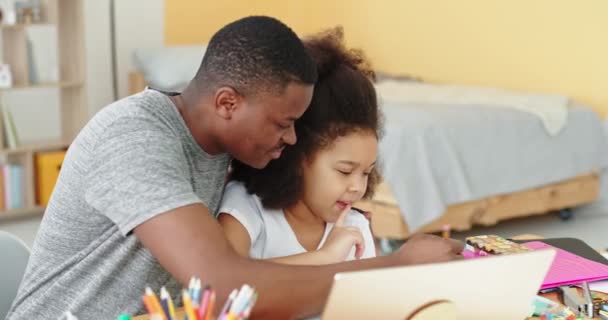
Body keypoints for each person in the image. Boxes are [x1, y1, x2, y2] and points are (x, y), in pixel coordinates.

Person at [7, 16, 463, 320]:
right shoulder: (135, 137)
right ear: (227, 102)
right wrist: (396, 267)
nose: (289, 139)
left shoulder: (231, 149)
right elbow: (224, 287)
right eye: (283, 124)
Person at [219, 28, 382, 265]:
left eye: (366, 173)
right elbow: (226, 277)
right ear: (296, 158)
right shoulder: (248, 208)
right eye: (345, 171)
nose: (357, 187)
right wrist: (324, 258)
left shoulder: (354, 229)